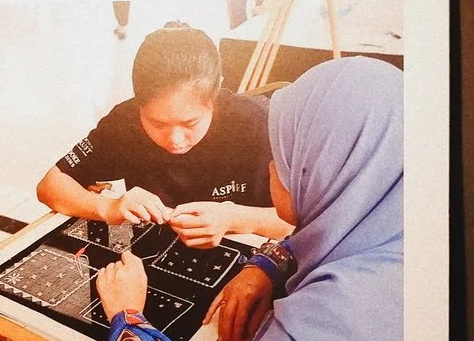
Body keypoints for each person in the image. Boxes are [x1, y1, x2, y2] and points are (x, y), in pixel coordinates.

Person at [92, 56, 405, 341]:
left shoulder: (335, 319)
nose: (272, 166)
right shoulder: (392, 219)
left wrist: (128, 317)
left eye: (287, 155)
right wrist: (268, 265)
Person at [37, 21, 289, 249]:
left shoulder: (257, 123)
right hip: (154, 250)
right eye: (157, 123)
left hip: (249, 257)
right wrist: (110, 207)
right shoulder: (124, 122)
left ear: (215, 95)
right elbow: (50, 185)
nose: (175, 139)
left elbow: (299, 222)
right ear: (138, 102)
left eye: (190, 123)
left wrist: (234, 218)